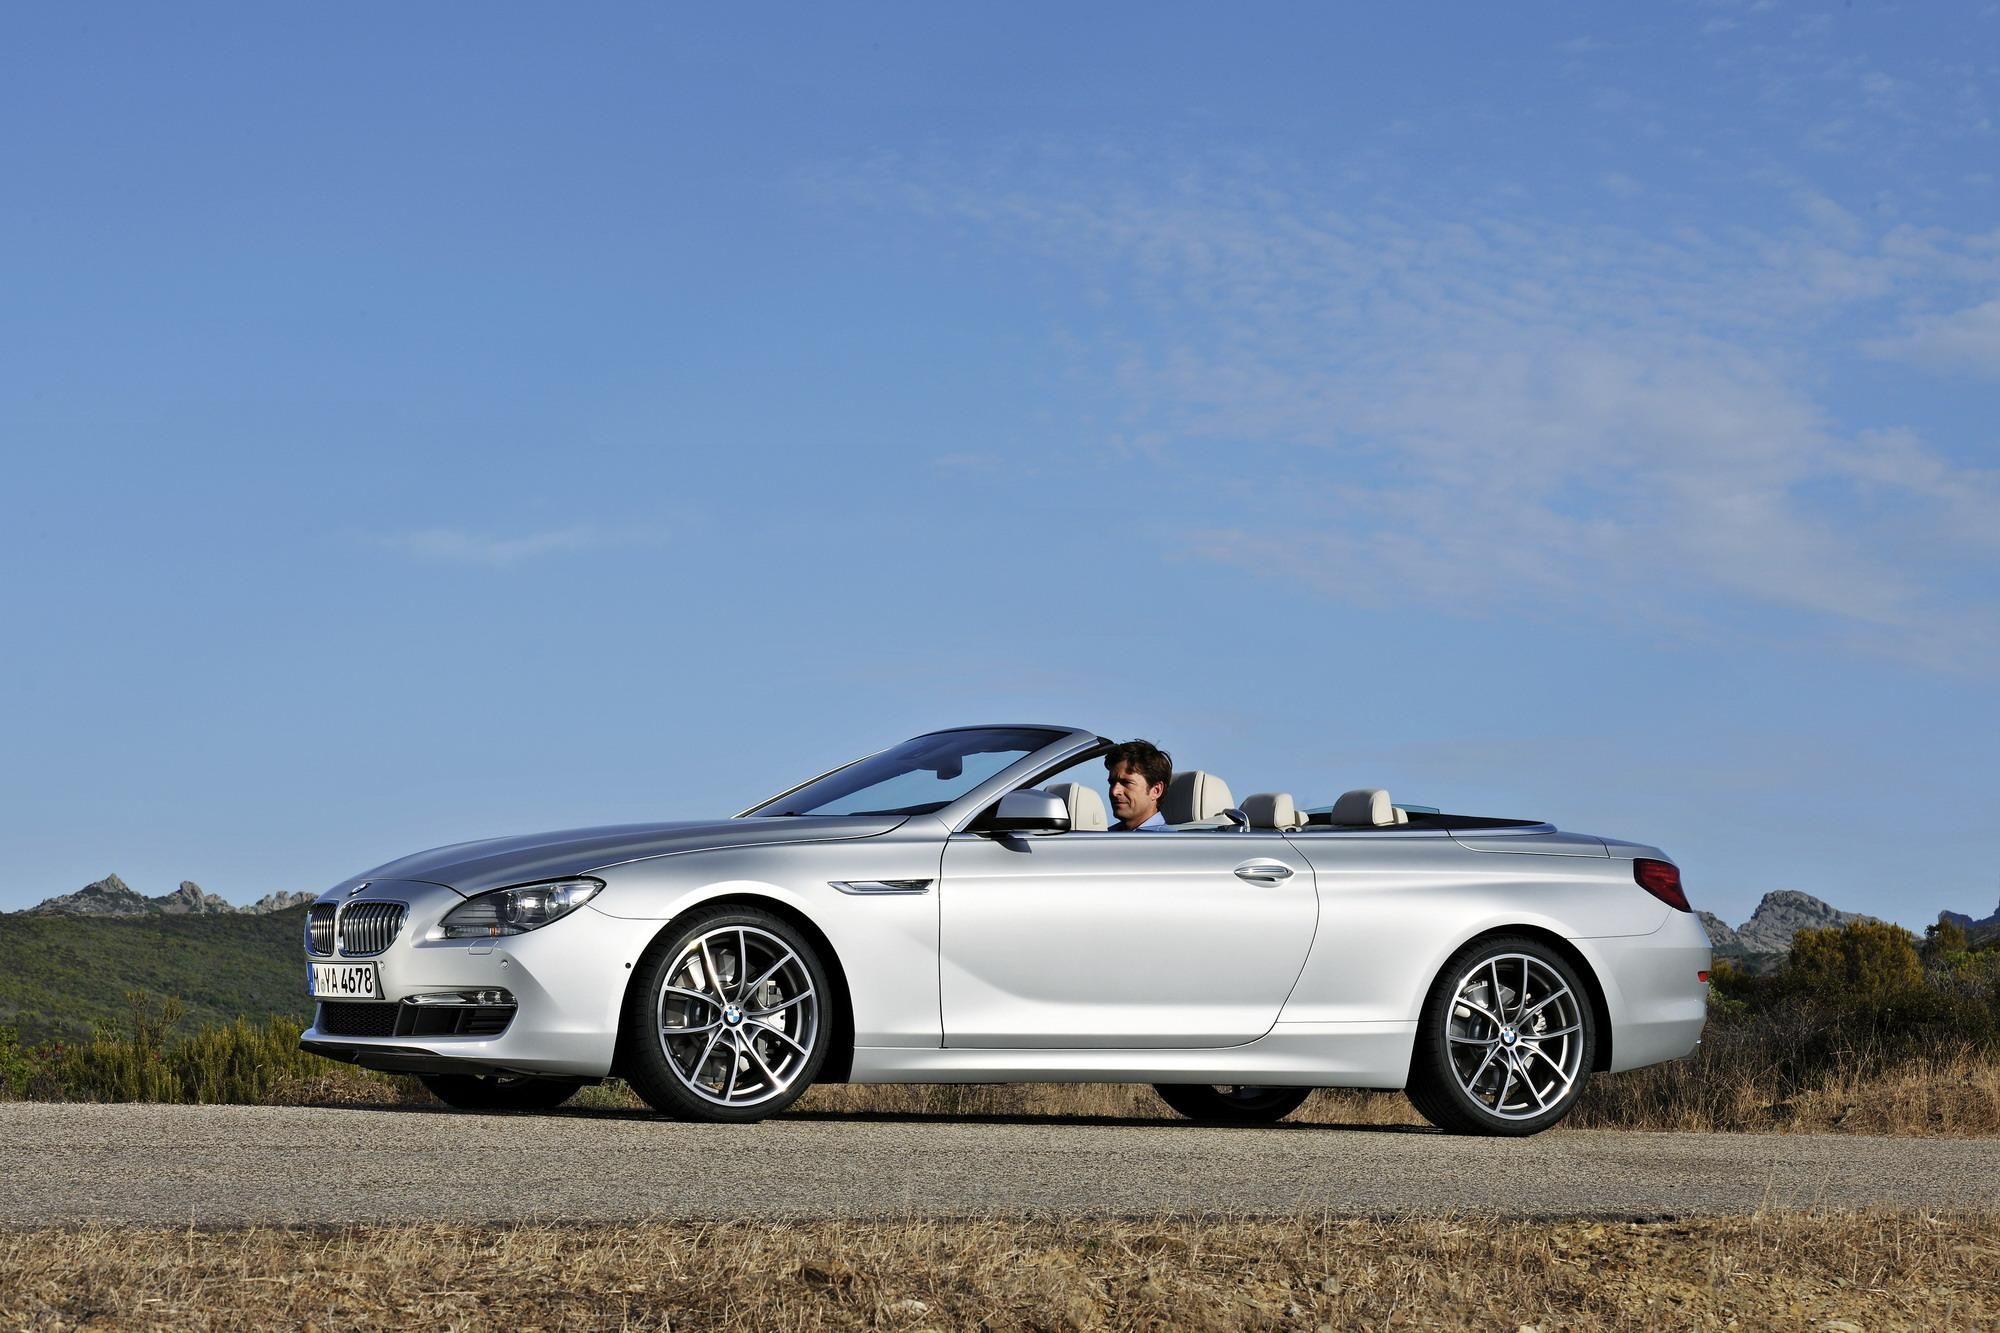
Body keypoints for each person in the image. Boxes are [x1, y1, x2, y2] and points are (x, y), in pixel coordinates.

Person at [1104, 739, 1173, 832]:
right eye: (1112, 783)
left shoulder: (1167, 843)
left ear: (1156, 790)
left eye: (1126, 783)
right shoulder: (1105, 837)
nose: (1114, 791)